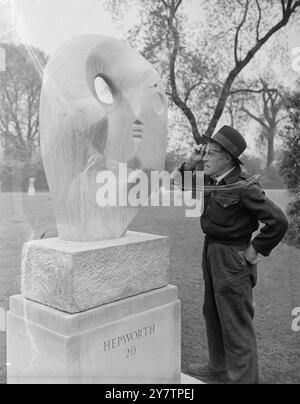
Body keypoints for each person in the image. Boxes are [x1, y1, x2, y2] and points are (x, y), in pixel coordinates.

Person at [178, 125, 289, 384]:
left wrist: (255, 250)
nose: (206, 158)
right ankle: (219, 369)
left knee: (235, 323)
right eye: (206, 154)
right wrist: (192, 162)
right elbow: (182, 184)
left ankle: (244, 380)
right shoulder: (212, 180)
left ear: (227, 157)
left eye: (211, 154)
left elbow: (278, 221)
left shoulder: (244, 186)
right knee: (213, 312)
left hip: (232, 257)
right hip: (211, 251)